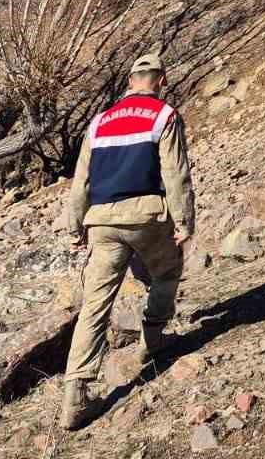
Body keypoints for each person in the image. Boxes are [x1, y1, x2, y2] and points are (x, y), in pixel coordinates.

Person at [60, 53, 195, 431]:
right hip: (146, 215)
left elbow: (81, 181)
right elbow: (175, 173)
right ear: (161, 80)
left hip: (101, 221)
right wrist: (184, 222)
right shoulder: (164, 115)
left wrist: (75, 230)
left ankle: (76, 394)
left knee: (95, 306)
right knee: (167, 273)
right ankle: (152, 341)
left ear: (130, 80)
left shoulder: (99, 122)